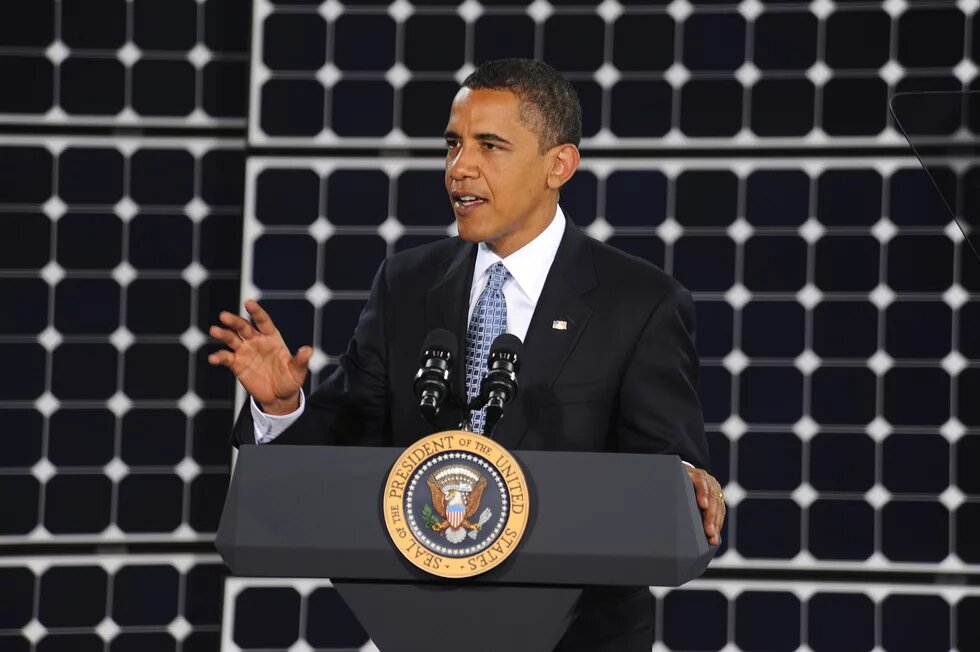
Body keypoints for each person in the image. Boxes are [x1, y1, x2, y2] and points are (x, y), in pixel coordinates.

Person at [209, 58, 726, 651]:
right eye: (453, 145)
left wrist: (684, 482)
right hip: (419, 625)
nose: (460, 169)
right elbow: (340, 449)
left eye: (490, 145)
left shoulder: (641, 302)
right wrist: (283, 408)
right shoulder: (406, 282)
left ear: (559, 164)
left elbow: (670, 476)